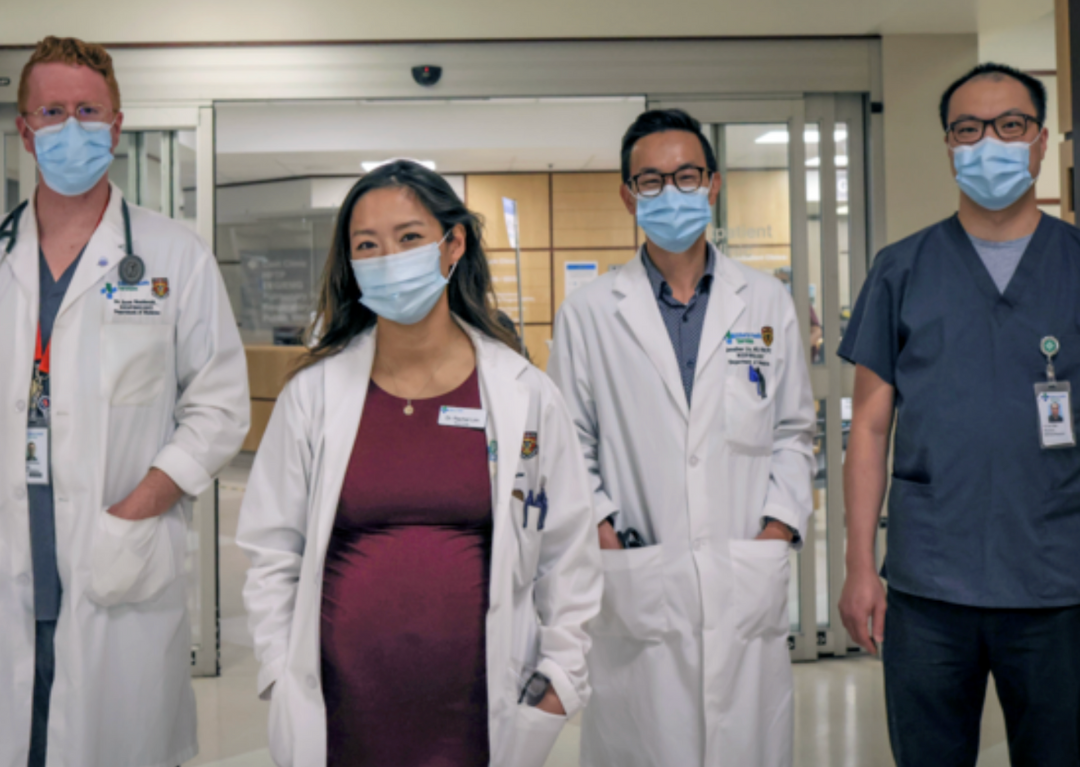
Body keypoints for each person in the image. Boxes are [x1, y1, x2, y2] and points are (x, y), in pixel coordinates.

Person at [237, 160, 602, 767]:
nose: (389, 259)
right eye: (367, 245)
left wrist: (559, 681)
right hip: (338, 712)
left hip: (481, 713)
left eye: (409, 238)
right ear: (350, 263)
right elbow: (272, 550)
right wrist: (280, 669)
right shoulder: (313, 396)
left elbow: (568, 552)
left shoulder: (523, 393)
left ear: (453, 244)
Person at [0, 37, 250, 767]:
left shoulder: (173, 256)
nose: (70, 128)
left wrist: (141, 505)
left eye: (88, 111)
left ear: (116, 127)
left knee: (110, 739)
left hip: (118, 554)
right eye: (52, 111)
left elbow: (218, 405)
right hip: (13, 553)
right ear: (24, 130)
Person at [548, 109, 815, 767]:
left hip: (742, 568)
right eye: (652, 180)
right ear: (628, 195)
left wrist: (776, 530)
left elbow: (792, 429)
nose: (671, 192)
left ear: (713, 184)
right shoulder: (589, 313)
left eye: (687, 175)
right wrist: (604, 531)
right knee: (645, 740)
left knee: (744, 740)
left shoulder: (765, 301)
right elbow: (569, 443)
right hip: (640, 574)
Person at [838, 63, 1080, 767]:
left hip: (1059, 581)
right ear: (948, 145)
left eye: (1010, 125)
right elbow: (869, 429)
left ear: (1040, 141)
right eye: (968, 129)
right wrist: (859, 565)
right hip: (930, 586)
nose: (989, 143)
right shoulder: (901, 268)